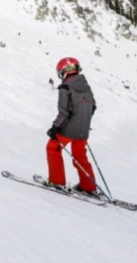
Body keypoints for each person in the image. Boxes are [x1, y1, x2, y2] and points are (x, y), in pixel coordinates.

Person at [43, 57, 98, 195]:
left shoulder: (65, 88)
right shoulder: (86, 86)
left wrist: (55, 128)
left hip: (68, 130)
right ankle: (89, 187)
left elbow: (64, 112)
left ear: (64, 71)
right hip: (83, 130)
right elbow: (92, 107)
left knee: (53, 148)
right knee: (80, 155)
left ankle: (57, 181)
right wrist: (83, 122)